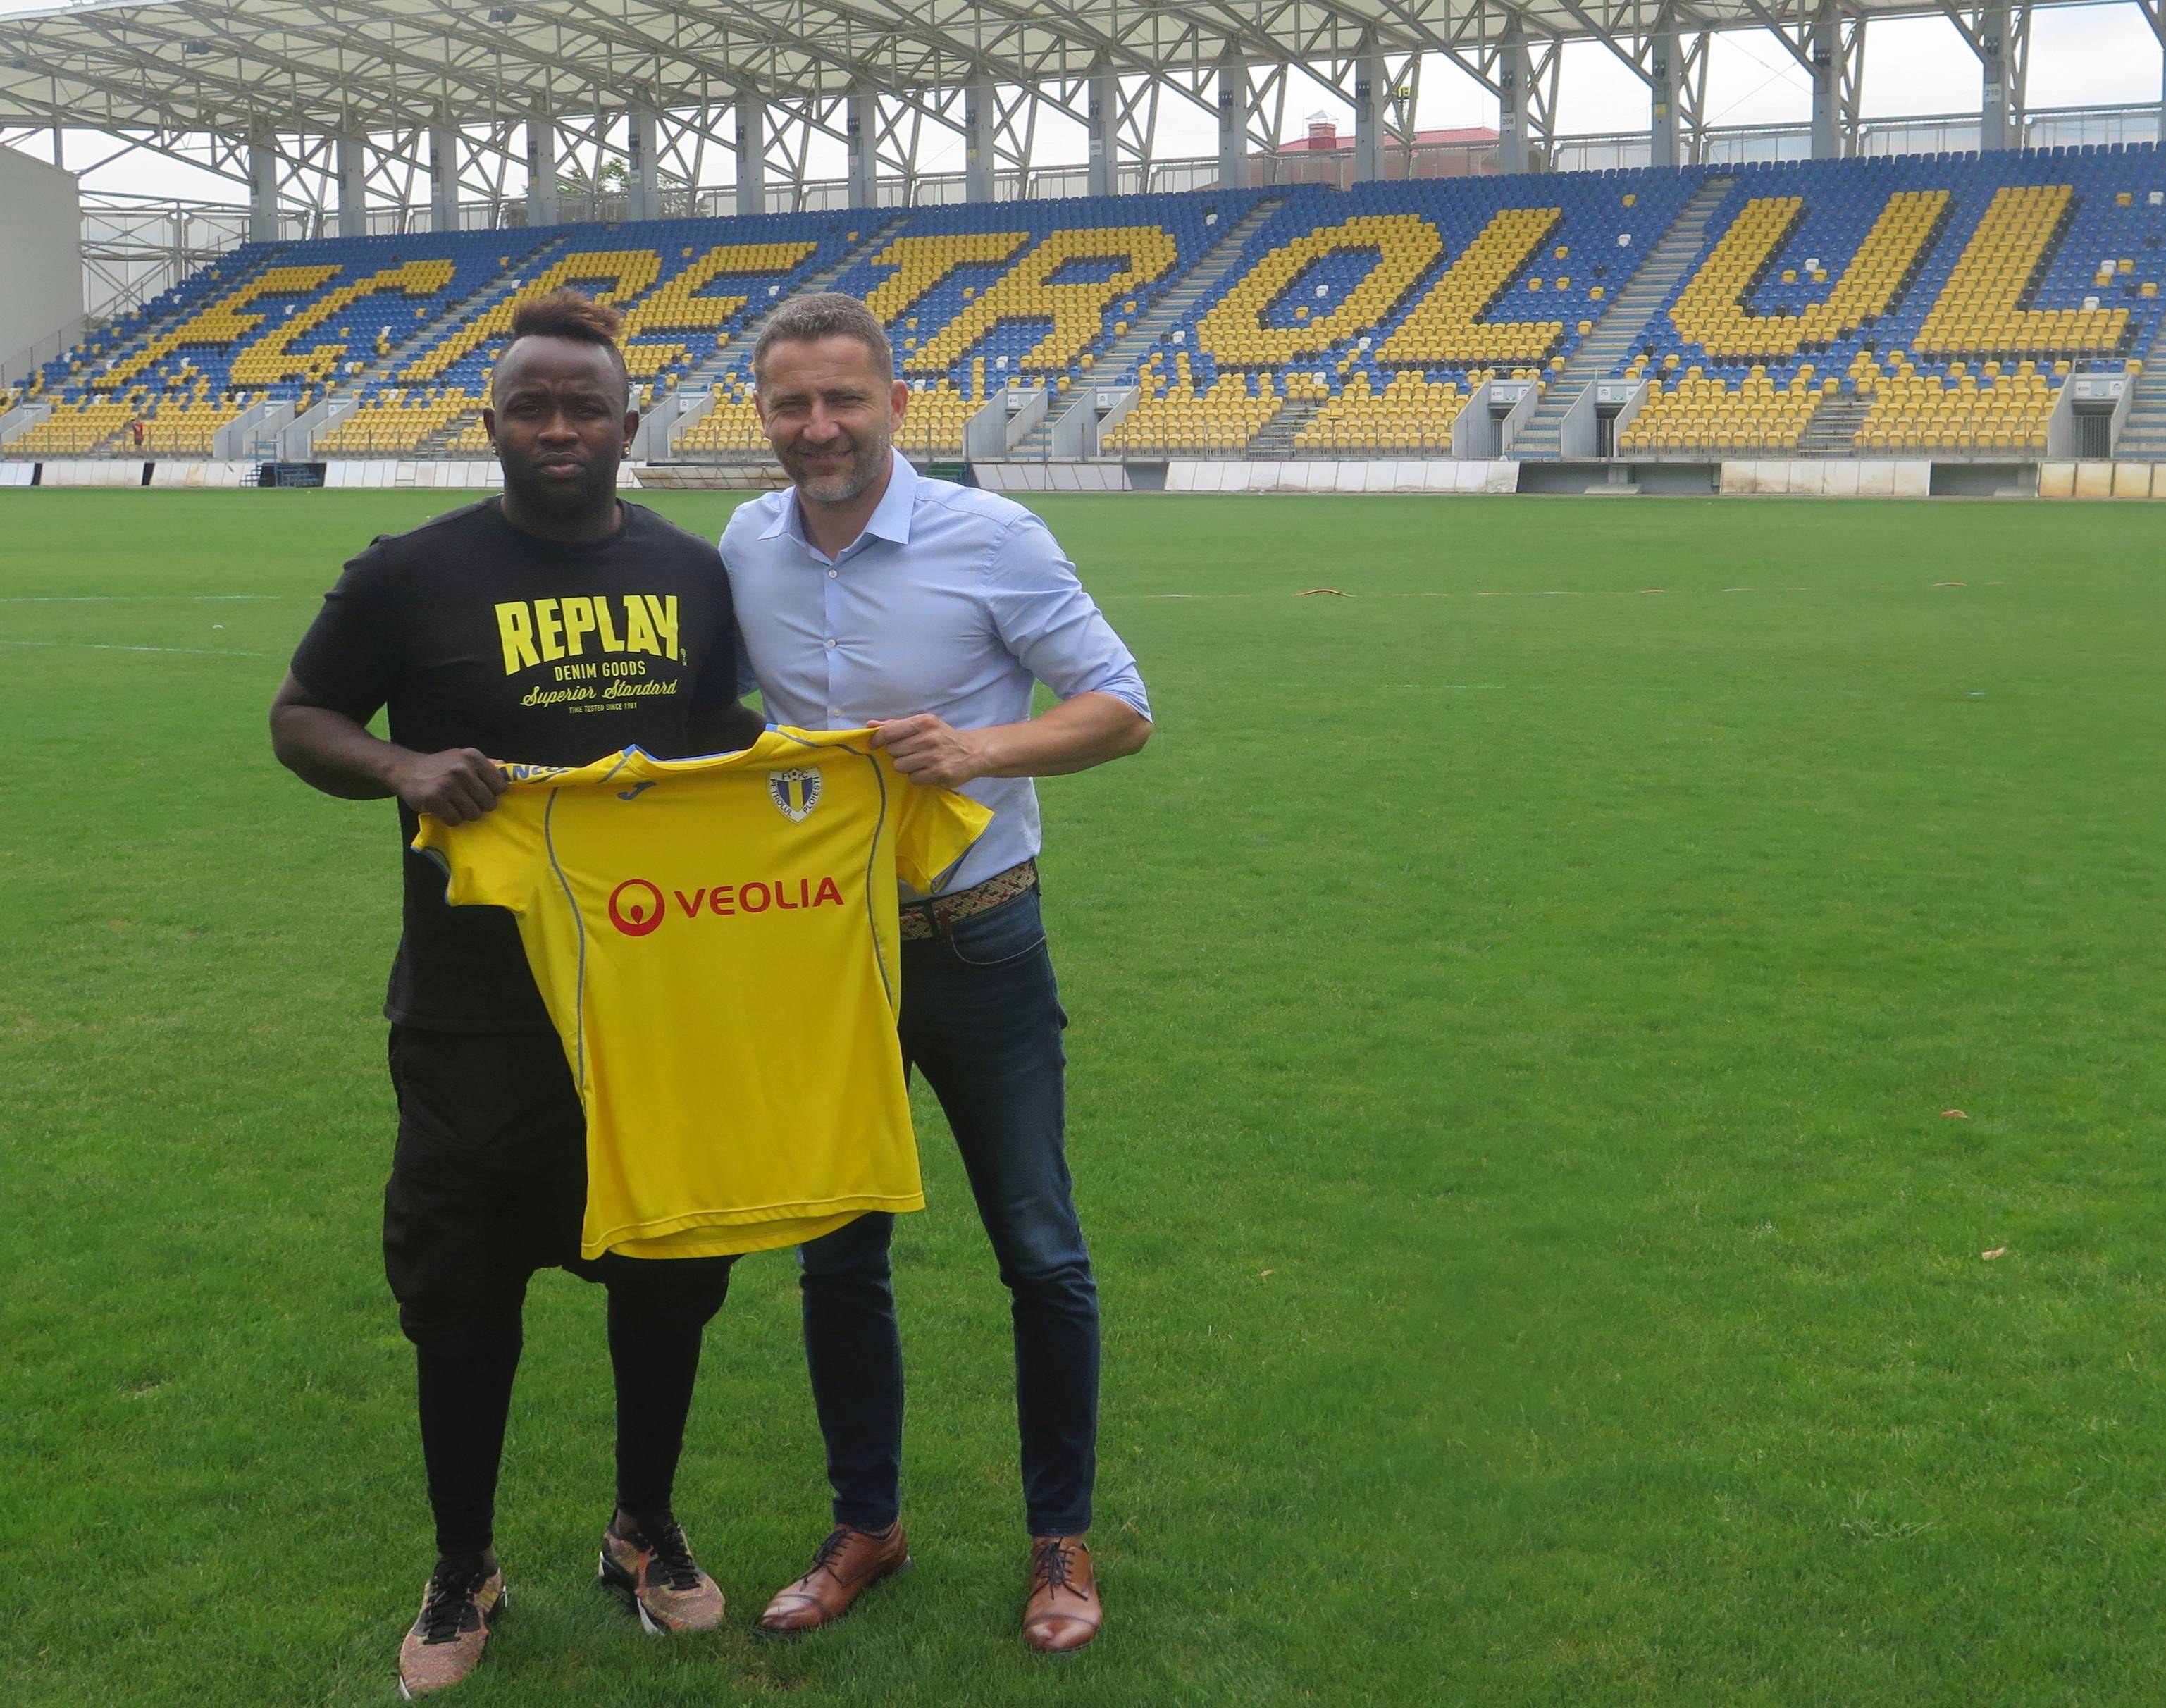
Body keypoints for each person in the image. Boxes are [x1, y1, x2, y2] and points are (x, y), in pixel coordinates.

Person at [268, 289, 765, 1698]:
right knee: (462, 1292)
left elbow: (715, 734)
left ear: (628, 424)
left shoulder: (692, 576)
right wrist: (403, 768)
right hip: (472, 1011)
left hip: (651, 1005)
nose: (559, 427)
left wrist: (831, 769)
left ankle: (643, 1526)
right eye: (531, 407)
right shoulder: (407, 574)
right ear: (487, 422)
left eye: (583, 407)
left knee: (666, 1278)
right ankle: (463, 1564)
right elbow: (299, 717)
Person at [724, 292, 1152, 1655]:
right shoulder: (744, 543)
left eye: (844, 398)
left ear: (898, 403)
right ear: (761, 414)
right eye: (792, 403)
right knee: (838, 1252)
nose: (819, 426)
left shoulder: (993, 536)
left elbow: (1120, 709)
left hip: (979, 936)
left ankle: (1059, 1539)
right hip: (823, 949)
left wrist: (977, 751)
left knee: (1040, 1249)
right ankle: (867, 1524)